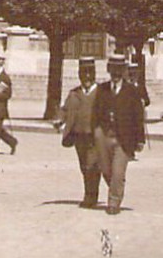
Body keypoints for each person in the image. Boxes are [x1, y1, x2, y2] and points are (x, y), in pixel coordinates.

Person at [91, 53, 147, 215]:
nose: (115, 74)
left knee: (117, 172)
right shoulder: (102, 89)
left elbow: (138, 116)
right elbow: (95, 113)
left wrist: (140, 140)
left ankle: (114, 202)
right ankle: (117, 187)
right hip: (104, 136)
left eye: (119, 71)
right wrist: (94, 133)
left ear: (123, 71)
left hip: (124, 139)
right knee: (106, 170)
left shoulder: (132, 91)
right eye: (113, 70)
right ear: (109, 71)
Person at [56, 58, 103, 208]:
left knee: (91, 165)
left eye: (90, 74)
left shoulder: (101, 92)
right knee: (84, 166)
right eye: (84, 74)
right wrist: (60, 120)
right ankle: (90, 193)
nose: (87, 78)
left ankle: (91, 196)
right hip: (78, 136)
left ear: (94, 75)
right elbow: (65, 109)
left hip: (94, 136)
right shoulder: (74, 94)